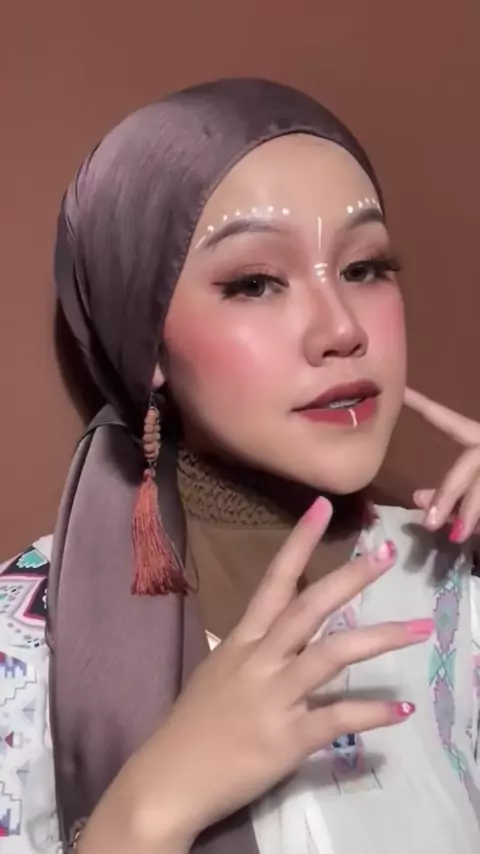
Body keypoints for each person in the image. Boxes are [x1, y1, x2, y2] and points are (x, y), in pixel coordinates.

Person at [1, 78, 480, 854]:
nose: (341, 329)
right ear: (146, 341)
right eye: (255, 282)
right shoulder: (24, 638)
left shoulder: (452, 587)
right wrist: (149, 810)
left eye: (364, 267)